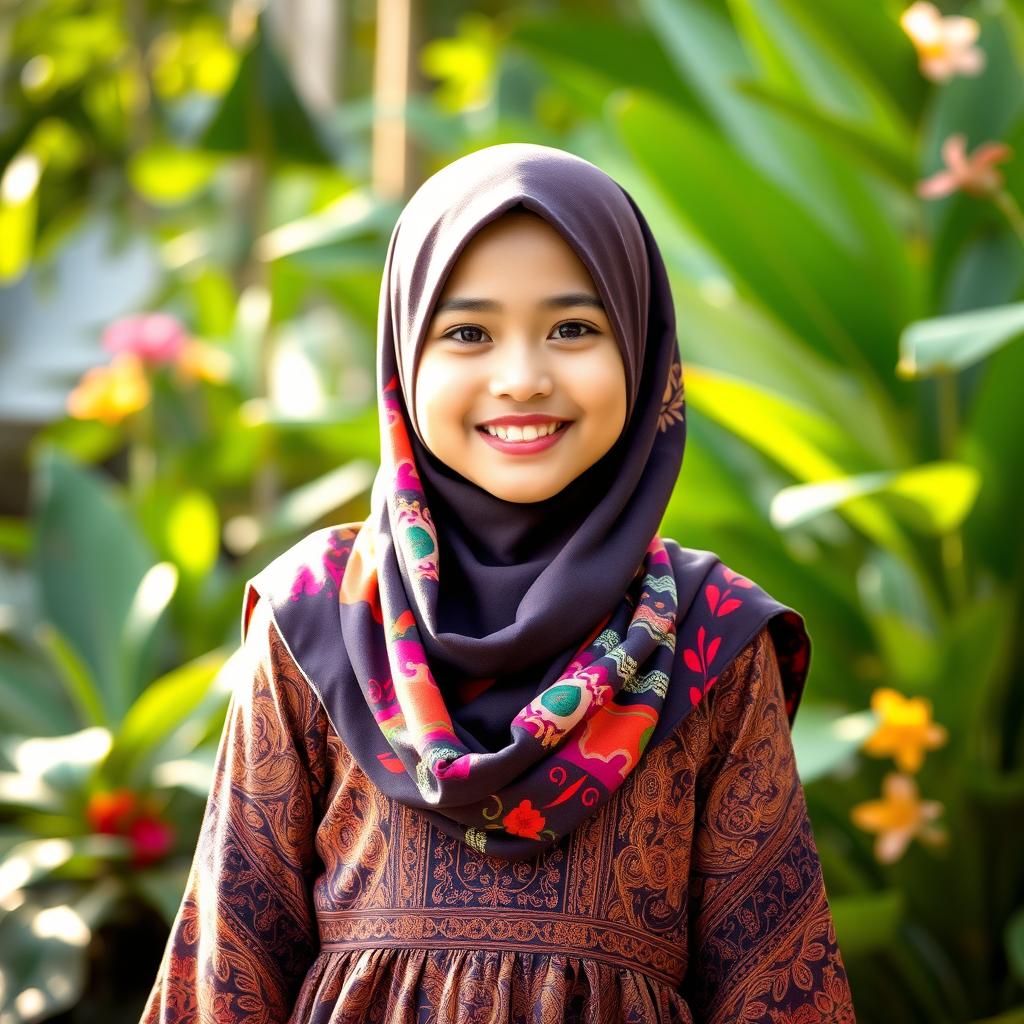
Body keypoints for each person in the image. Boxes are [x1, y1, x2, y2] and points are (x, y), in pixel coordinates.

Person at [139, 143, 856, 1022]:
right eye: (468, 333)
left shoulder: (711, 634)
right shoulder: (317, 613)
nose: (522, 377)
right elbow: (229, 963)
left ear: (642, 345)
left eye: (574, 328)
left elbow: (775, 980)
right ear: (403, 357)